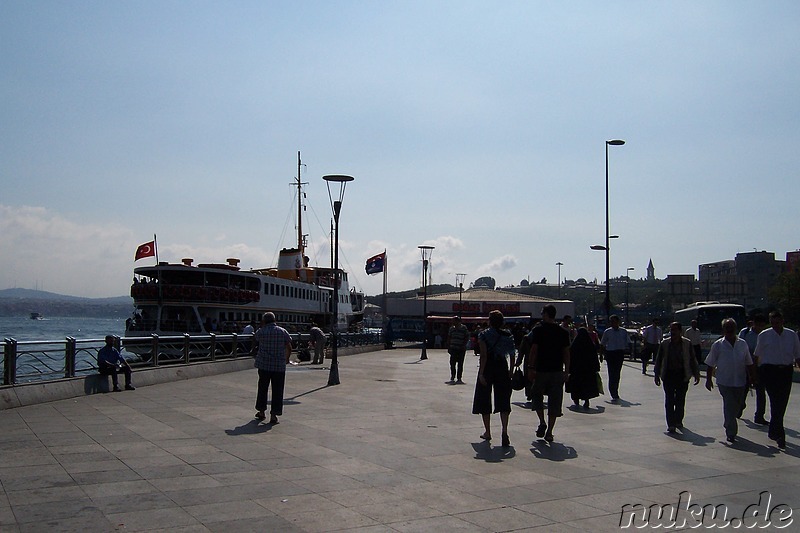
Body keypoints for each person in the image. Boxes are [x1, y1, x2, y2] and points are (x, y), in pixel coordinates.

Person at [754, 310, 800, 449]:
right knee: (775, 401)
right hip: (769, 371)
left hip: (785, 371)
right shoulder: (764, 335)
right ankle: (780, 434)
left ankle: (774, 430)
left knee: (782, 402)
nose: (775, 325)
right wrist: (754, 374)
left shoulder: (791, 335)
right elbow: (757, 355)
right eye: (772, 323)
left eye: (777, 323)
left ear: (782, 321)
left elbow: (797, 356)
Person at [705, 318, 754, 443]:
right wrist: (708, 379)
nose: (730, 330)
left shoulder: (742, 343)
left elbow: (748, 362)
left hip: (740, 381)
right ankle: (731, 432)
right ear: (723, 330)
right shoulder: (718, 345)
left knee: (737, 406)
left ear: (736, 329)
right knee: (729, 405)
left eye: (732, 327)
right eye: (727, 327)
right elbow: (710, 363)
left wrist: (752, 376)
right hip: (724, 381)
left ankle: (729, 422)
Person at [472, 310, 516, 447]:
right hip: (502, 366)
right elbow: (512, 354)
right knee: (503, 399)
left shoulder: (484, 335)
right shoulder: (508, 335)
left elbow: (484, 356)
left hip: (488, 367)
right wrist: (511, 370)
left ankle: (488, 431)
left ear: (490, 321)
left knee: (484, 398)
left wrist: (481, 373)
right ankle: (504, 430)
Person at [527, 304, 571, 442]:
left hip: (541, 370)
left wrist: (530, 367)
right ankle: (550, 432)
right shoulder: (563, 332)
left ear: (546, 314)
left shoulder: (538, 330)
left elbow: (534, 350)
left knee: (536, 395)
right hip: (557, 371)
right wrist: (567, 371)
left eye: (542, 313)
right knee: (555, 401)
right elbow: (566, 354)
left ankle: (542, 421)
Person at [653, 322, 700, 433]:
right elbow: (659, 359)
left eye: (675, 330)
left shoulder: (687, 343)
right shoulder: (665, 343)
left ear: (680, 331)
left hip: (682, 375)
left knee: (680, 399)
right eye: (671, 330)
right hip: (668, 375)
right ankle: (671, 424)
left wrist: (696, 373)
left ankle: (678, 420)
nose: (672, 332)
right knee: (669, 400)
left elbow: (692, 359)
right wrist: (656, 374)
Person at [253, 312, 293, 424]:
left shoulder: (261, 332)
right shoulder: (282, 331)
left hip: (264, 365)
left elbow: (255, 341)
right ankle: (274, 415)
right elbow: (289, 347)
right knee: (278, 390)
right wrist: (286, 359)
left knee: (262, 388)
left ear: (264, 321)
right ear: (275, 320)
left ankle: (261, 412)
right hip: (279, 366)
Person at [739, 314, 769, 425]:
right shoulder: (745, 333)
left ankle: (759, 416)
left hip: (760, 367)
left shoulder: (766, 335)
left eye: (762, 325)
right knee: (743, 390)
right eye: (758, 325)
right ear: (754, 324)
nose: (760, 328)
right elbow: (740, 346)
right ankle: (740, 407)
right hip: (746, 366)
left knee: (761, 392)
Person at [565, 327, 601, 410]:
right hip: (588, 370)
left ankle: (576, 399)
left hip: (576, 370)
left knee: (576, 385)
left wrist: (568, 368)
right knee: (586, 386)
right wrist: (596, 367)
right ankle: (586, 400)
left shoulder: (575, 345)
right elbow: (594, 357)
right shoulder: (590, 345)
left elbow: (570, 357)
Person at [599, 315, 631, 402]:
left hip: (619, 353)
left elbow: (628, 342)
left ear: (618, 322)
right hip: (610, 353)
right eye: (611, 321)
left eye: (614, 321)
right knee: (611, 373)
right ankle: (613, 392)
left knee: (617, 373)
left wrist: (629, 351)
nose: (613, 323)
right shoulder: (607, 332)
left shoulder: (623, 331)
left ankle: (615, 389)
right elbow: (602, 343)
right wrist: (601, 355)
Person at [447, 316, 469, 384]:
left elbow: (467, 337)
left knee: (460, 364)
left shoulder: (464, 328)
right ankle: (452, 376)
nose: (452, 322)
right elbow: (449, 337)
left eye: (453, 321)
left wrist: (464, 345)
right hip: (453, 348)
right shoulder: (451, 329)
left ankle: (459, 378)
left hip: (461, 349)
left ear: (457, 321)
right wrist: (449, 347)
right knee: (452, 363)